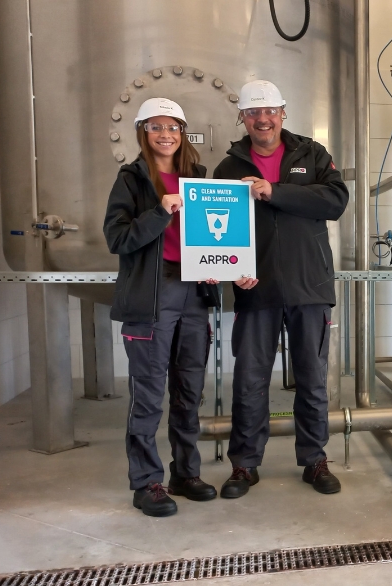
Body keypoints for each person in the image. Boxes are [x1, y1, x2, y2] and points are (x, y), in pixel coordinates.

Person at [103, 97, 257, 517]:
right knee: (149, 396)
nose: (166, 134)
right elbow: (117, 239)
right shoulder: (132, 180)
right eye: (156, 127)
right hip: (151, 299)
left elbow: (215, 240)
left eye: (173, 127)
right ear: (143, 132)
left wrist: (222, 267)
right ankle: (146, 482)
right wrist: (159, 211)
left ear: (182, 133)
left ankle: (185, 473)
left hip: (193, 295)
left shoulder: (198, 180)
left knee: (189, 392)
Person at [212, 80, 349, 498]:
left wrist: (275, 191)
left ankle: (314, 460)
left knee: (312, 377)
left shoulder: (312, 154)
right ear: (242, 118)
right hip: (256, 287)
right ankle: (245, 465)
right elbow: (218, 233)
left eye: (270, 111)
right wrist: (231, 270)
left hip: (310, 284)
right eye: (254, 112)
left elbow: (335, 201)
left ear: (283, 113)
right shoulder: (228, 169)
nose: (263, 119)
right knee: (250, 379)